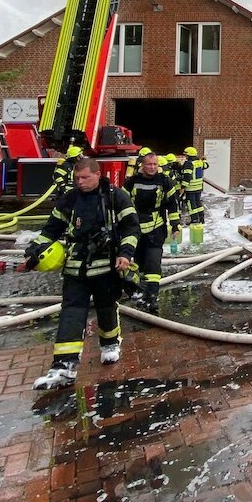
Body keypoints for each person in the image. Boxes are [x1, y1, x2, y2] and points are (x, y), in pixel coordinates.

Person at [25, 157, 140, 389]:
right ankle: (63, 367)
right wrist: (33, 253)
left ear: (98, 174)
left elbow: (131, 227)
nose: (80, 182)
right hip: (75, 268)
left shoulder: (116, 197)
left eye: (85, 177)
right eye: (77, 178)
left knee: (106, 307)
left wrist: (125, 254)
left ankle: (110, 344)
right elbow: (50, 230)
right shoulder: (70, 199)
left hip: (106, 267)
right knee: (71, 313)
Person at [123, 152, 179, 314]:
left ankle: (152, 297)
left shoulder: (165, 181)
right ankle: (141, 292)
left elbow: (172, 205)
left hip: (156, 229)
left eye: (155, 164)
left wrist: (175, 225)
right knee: (139, 263)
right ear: (142, 165)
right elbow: (121, 203)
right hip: (136, 230)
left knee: (153, 263)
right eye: (149, 164)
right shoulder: (132, 182)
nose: (152, 167)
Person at [182, 146, 209, 226]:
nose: (185, 157)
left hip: (190, 188)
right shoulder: (200, 162)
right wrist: (204, 159)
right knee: (198, 202)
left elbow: (187, 177)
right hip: (198, 187)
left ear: (189, 155)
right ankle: (201, 218)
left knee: (191, 204)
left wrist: (183, 187)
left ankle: (194, 219)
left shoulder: (189, 164)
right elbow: (206, 165)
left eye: (186, 155)